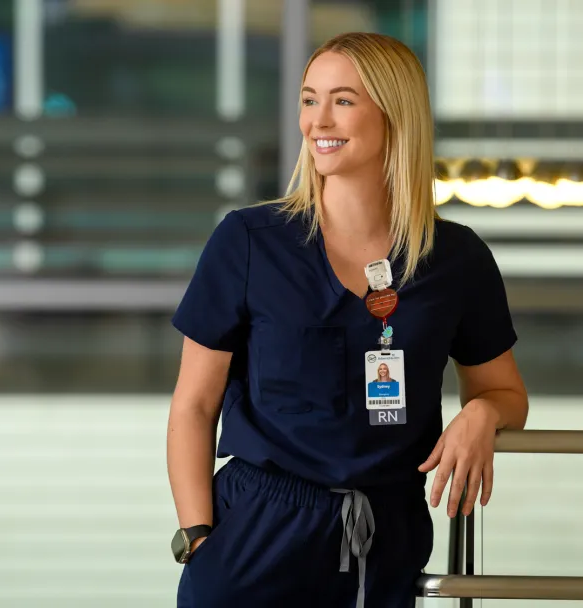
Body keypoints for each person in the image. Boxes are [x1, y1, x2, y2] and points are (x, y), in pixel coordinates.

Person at [166, 32, 529, 608]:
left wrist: (483, 411)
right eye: (310, 100)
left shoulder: (456, 259)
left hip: (387, 539)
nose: (317, 120)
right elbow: (193, 405)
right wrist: (198, 538)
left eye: (343, 100)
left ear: (394, 114)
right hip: (255, 535)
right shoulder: (249, 242)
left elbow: (505, 391)